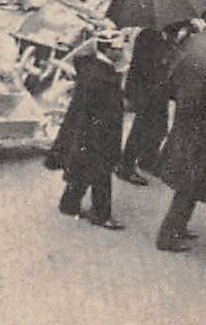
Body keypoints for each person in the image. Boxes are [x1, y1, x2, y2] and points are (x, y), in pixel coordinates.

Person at [46, 27, 127, 229]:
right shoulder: (104, 78)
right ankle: (101, 214)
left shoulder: (89, 67)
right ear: (108, 51)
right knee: (101, 172)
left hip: (82, 130)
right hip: (98, 134)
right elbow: (108, 111)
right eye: (119, 49)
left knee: (80, 168)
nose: (122, 52)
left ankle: (69, 204)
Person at [118, 21, 188, 183]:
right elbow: (147, 66)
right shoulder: (150, 36)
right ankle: (126, 165)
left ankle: (146, 160)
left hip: (158, 91)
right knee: (141, 129)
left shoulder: (168, 39)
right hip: (146, 90)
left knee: (160, 128)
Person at [154, 99, 206, 253]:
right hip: (191, 148)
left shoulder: (195, 80)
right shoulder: (196, 86)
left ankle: (178, 228)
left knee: (190, 191)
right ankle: (166, 237)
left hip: (191, 145)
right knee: (186, 192)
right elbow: (193, 113)